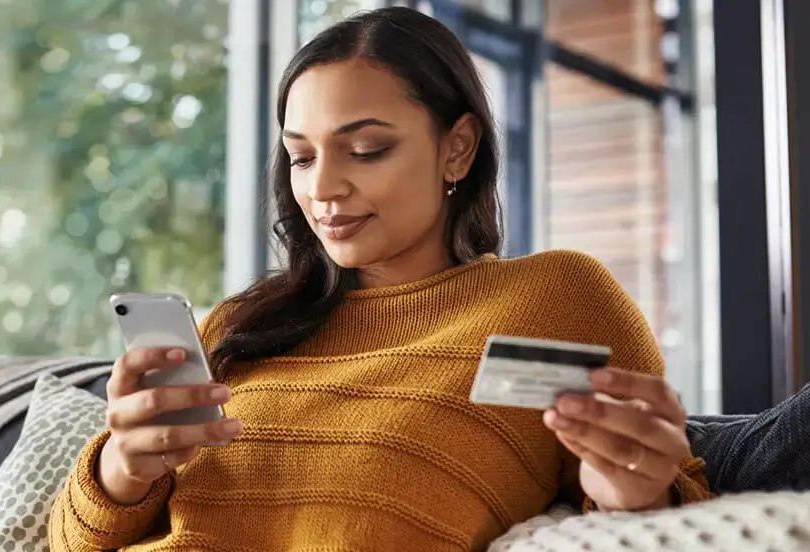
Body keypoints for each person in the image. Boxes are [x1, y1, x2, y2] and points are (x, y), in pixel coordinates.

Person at [49, 7, 711, 551]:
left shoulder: (555, 298)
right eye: (301, 157)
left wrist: (639, 494)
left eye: (367, 150)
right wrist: (122, 469)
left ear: (458, 146)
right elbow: (67, 543)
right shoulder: (240, 327)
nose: (324, 189)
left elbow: (680, 510)